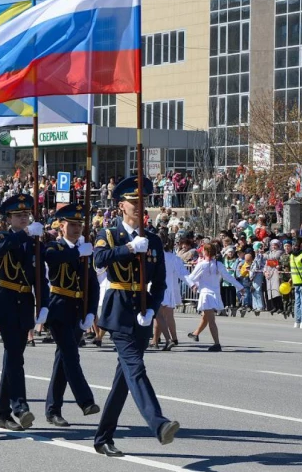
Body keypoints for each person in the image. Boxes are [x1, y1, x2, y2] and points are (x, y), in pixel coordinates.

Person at [92, 177, 179, 458]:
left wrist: (152, 309)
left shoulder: (153, 240)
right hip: (118, 310)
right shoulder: (110, 233)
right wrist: (129, 249)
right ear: (121, 206)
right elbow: (99, 259)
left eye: (142, 202)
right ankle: (159, 423)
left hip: (141, 311)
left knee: (123, 380)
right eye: (133, 202)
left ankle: (103, 438)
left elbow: (161, 283)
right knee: (136, 368)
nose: (139, 207)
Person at [0, 194, 49, 431]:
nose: (24, 218)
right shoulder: (0, 236)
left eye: (26, 215)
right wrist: (25, 234)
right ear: (9, 219)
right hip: (7, 300)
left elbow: (40, 278)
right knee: (14, 356)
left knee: (13, 358)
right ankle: (19, 407)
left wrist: (43, 304)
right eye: (19, 215)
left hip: (25, 301)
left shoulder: (36, 243)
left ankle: (2, 414)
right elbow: (2, 249)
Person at [42, 203, 101, 428]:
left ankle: (52, 409)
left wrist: (90, 312)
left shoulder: (85, 251)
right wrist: (77, 252)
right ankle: (85, 401)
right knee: (70, 355)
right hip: (57, 308)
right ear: (61, 226)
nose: (77, 229)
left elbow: (92, 285)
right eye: (72, 224)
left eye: (79, 225)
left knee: (63, 360)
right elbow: (51, 259)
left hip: (77, 310)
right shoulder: (56, 247)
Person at [186, 242, 245, 351]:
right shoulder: (219, 264)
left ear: (206, 252)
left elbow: (191, 278)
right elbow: (228, 277)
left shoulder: (202, 265)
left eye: (203, 250)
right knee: (206, 317)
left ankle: (217, 344)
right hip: (215, 294)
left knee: (211, 319)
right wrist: (240, 287)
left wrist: (194, 285)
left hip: (206, 295)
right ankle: (196, 333)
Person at [154, 230, 190, 350]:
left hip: (159, 289)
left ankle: (162, 340)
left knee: (158, 316)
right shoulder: (174, 258)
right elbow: (183, 274)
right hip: (169, 290)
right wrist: (192, 284)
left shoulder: (157, 256)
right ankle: (166, 339)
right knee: (166, 316)